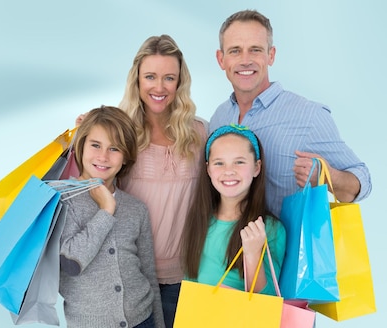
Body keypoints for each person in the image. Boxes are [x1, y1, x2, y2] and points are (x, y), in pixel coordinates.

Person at [74, 35, 207, 327]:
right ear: (136, 79)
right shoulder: (118, 133)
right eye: (150, 76)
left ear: (180, 82)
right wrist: (80, 139)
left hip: (187, 279)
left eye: (169, 78)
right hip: (124, 277)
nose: (159, 87)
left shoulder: (201, 134)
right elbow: (84, 186)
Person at [210, 9, 371, 217]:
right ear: (221, 59)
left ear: (271, 55)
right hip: (228, 249)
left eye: (255, 50)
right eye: (235, 51)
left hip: (286, 248)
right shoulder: (219, 119)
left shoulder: (309, 116)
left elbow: (363, 182)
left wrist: (327, 177)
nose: (245, 60)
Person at [59, 106, 164, 328]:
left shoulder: (136, 209)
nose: (103, 157)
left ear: (125, 157)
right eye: (95, 145)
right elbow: (70, 262)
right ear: (81, 146)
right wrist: (106, 210)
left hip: (143, 320)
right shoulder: (61, 202)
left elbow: (148, 275)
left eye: (114, 148)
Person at [180, 124, 286, 295]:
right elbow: (190, 283)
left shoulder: (270, 229)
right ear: (208, 169)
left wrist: (253, 255)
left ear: (256, 167)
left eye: (239, 162)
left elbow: (267, 302)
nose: (228, 171)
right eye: (219, 163)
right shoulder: (200, 220)